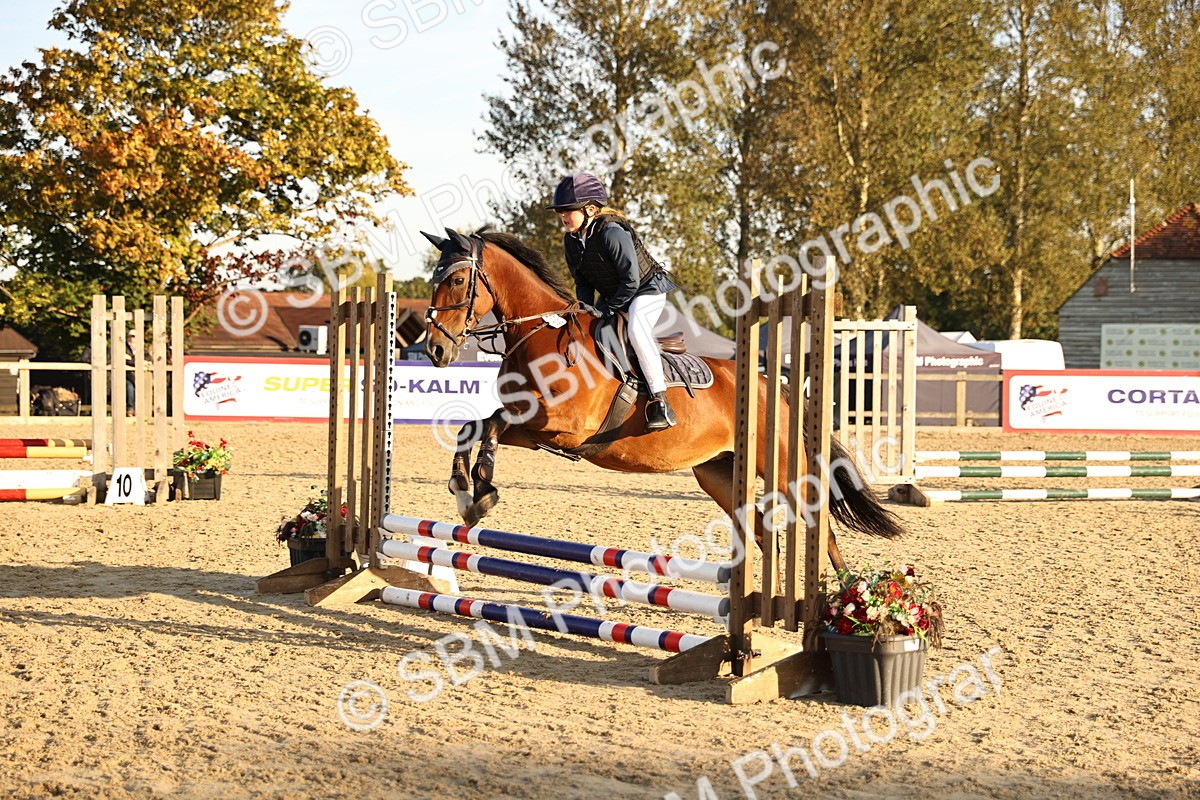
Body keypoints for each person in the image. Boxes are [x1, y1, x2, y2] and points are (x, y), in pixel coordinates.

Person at [547, 172, 678, 431]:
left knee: (637, 330)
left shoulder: (612, 232)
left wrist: (603, 309)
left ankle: (660, 402)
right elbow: (582, 282)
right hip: (616, 294)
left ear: (590, 209)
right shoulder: (571, 240)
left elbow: (630, 281)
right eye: (560, 211)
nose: (563, 216)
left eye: (568, 210)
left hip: (646, 290)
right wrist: (584, 310)